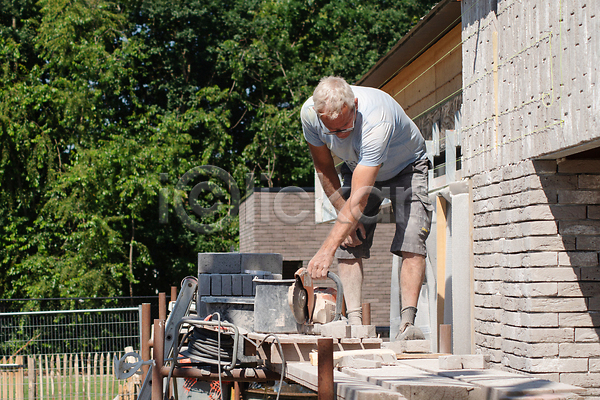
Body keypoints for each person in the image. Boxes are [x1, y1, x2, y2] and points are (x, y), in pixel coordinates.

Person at [300, 76, 432, 340]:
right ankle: (355, 324)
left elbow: (359, 199)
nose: (340, 136)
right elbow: (324, 167)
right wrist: (343, 213)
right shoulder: (310, 115)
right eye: (332, 131)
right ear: (318, 115)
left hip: (408, 167)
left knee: (411, 240)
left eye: (346, 127)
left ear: (355, 105)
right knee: (349, 240)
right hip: (358, 165)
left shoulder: (376, 119)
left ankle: (408, 326)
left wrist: (326, 251)